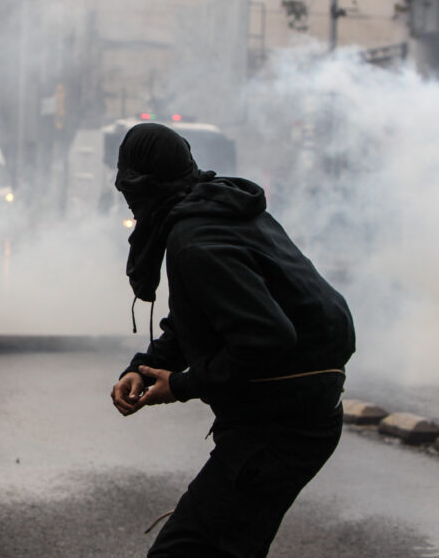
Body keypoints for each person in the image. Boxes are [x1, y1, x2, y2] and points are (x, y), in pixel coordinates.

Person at [108, 122, 355, 558]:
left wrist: (180, 386)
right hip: (297, 413)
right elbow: (200, 315)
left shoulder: (195, 241)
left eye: (129, 189)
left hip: (281, 427)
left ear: (144, 186)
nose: (129, 202)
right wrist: (143, 366)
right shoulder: (216, 207)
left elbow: (267, 337)